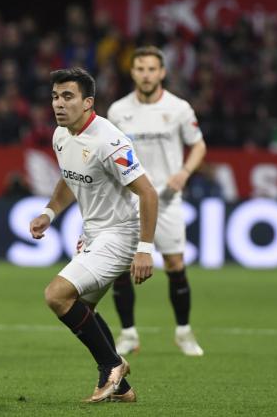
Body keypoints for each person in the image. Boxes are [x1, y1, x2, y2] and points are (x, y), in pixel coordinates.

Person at [29, 68, 158, 403]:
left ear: (88, 103)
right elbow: (70, 178)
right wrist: (49, 212)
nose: (58, 103)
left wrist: (144, 249)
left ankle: (113, 366)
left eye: (67, 96)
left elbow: (148, 193)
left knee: (56, 295)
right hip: (94, 233)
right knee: (80, 307)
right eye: (55, 96)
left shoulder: (110, 141)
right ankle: (123, 390)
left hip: (120, 235)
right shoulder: (61, 134)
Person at [107, 45, 207, 356]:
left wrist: (185, 172)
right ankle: (128, 334)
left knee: (175, 264)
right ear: (132, 72)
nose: (146, 74)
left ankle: (183, 332)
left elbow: (199, 145)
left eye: (152, 69)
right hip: (129, 199)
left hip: (167, 197)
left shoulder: (179, 108)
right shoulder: (118, 111)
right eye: (140, 69)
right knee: (121, 267)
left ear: (162, 72)